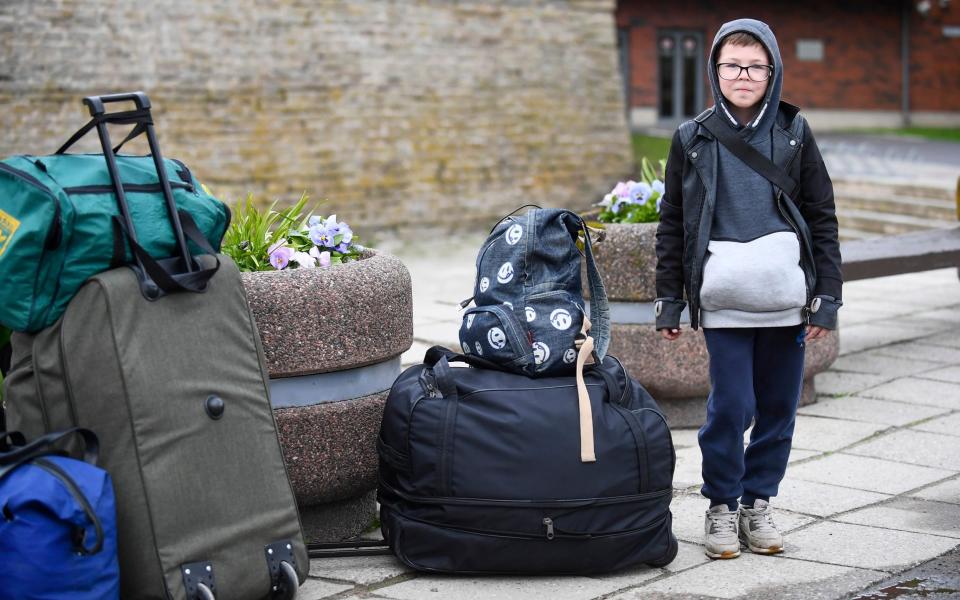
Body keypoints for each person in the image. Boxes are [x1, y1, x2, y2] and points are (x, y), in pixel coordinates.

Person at [653, 18, 843, 559]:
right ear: (715, 70)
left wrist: (826, 296)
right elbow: (673, 223)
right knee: (731, 406)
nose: (743, 75)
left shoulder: (794, 132)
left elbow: (821, 216)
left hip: (784, 300)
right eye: (732, 65)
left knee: (779, 406)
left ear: (773, 71)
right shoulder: (691, 138)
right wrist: (669, 298)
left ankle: (759, 502)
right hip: (724, 299)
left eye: (754, 66)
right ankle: (721, 504)